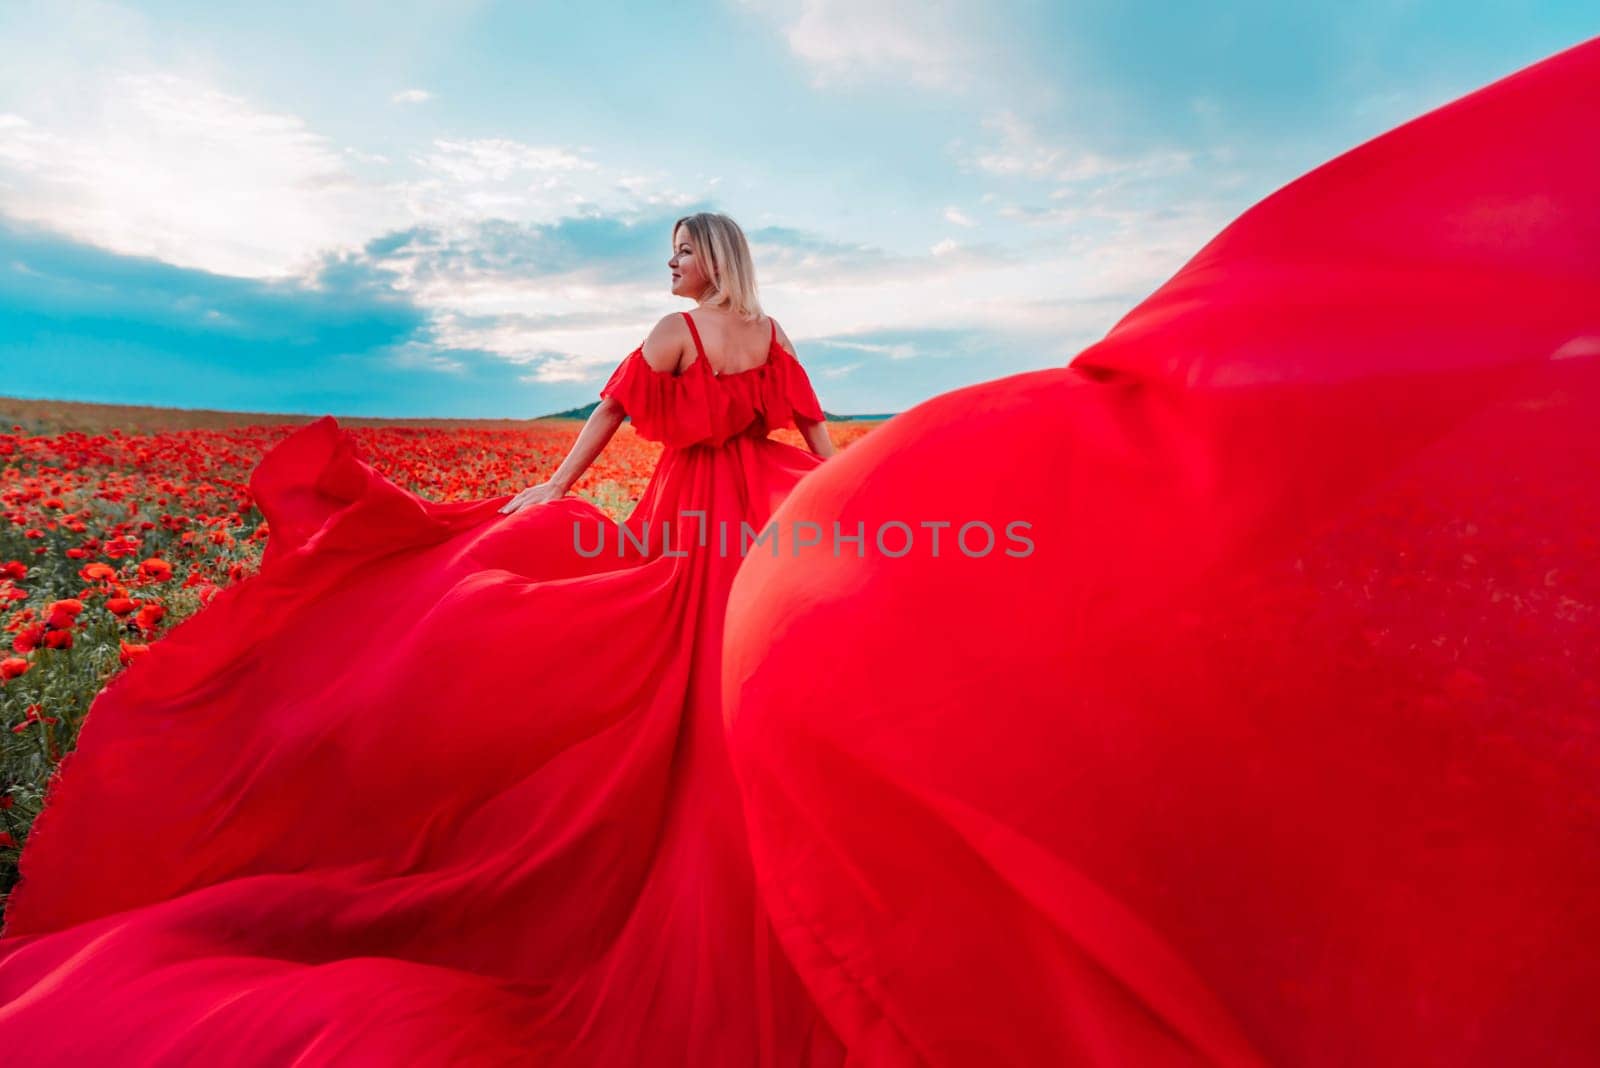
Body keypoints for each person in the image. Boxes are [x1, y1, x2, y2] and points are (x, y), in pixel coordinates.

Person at [0, 212, 852, 1065]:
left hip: (685, 514)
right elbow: (813, 432)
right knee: (733, 667)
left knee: (670, 668)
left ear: (716, 258)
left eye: (683, 250)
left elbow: (611, 414)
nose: (670, 264)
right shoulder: (767, 334)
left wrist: (553, 487)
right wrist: (841, 505)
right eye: (669, 249)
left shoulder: (677, 333)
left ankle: (675, 821)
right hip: (754, 518)